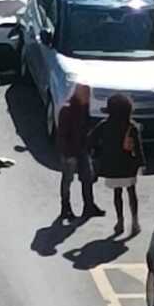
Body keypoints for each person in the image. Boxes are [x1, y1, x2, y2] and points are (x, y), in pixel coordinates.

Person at [88, 93, 144, 236]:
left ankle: (120, 222)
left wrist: (97, 152)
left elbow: (90, 140)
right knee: (132, 193)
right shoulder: (131, 127)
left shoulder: (104, 125)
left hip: (112, 165)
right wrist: (141, 163)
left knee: (117, 193)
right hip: (128, 165)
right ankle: (135, 222)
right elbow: (138, 148)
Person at [56, 84, 102, 221]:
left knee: (87, 177)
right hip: (69, 151)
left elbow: (87, 128)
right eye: (85, 94)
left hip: (82, 149)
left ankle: (89, 206)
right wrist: (68, 154)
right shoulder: (67, 110)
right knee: (67, 180)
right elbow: (62, 136)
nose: (88, 97)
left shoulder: (84, 108)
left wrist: (90, 146)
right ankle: (65, 208)